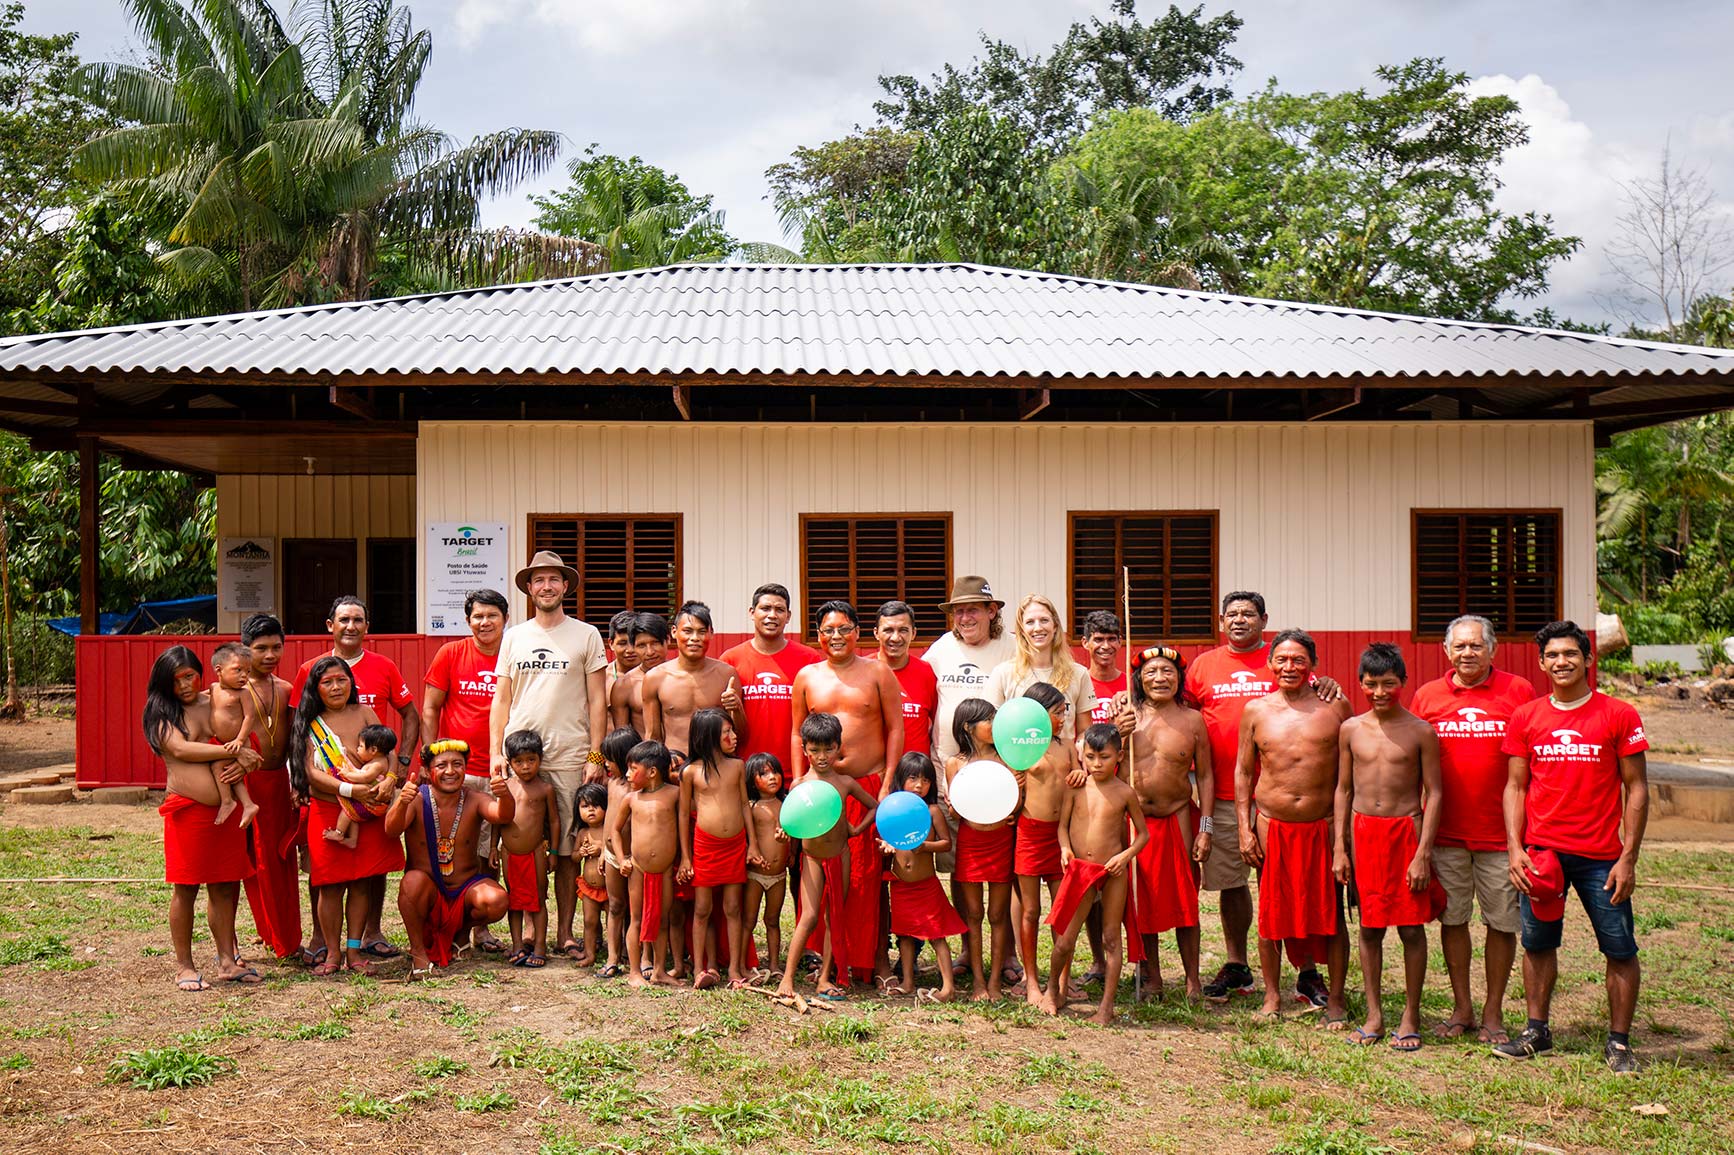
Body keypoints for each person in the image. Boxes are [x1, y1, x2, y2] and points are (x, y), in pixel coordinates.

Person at [1497, 620, 1649, 1074]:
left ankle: (1619, 1043)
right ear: (1542, 663)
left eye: (1570, 654)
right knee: (1538, 944)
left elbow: (1636, 788)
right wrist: (1515, 849)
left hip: (1602, 857)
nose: (1561, 662)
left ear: (1587, 659)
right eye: (1552, 656)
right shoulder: (1526, 716)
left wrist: (1628, 857)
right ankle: (1537, 1031)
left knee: (1619, 948)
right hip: (1542, 855)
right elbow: (1515, 787)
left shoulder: (1619, 714)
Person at [1187, 591, 1342, 1006]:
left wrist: (1328, 685)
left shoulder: (1290, 664)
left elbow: (1328, 707)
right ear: (1221, 621)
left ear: (1264, 620)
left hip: (1289, 802)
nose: (1240, 620)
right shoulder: (1203, 666)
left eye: (1249, 614)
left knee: (1294, 888)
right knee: (1232, 883)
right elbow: (1181, 714)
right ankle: (1238, 965)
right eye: (1232, 614)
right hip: (1224, 794)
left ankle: (1307, 971)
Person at [1409, 614, 1537, 1044]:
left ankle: (1493, 1011)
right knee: (1453, 919)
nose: (1467, 653)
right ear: (1446, 651)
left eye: (1476, 646)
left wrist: (1524, 836)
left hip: (1502, 838)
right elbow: (1413, 762)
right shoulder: (1427, 697)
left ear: (1492, 650)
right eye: (1460, 646)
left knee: (1501, 923)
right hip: (1445, 835)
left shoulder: (1518, 692)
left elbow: (1530, 765)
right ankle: (1461, 1005)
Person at [490, 550, 609, 963]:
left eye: (553, 580)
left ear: (564, 587)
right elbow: (501, 698)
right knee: (521, 847)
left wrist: (596, 752)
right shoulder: (514, 637)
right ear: (528, 588)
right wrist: (496, 752)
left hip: (570, 754)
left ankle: (563, 933)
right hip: (520, 758)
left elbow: (599, 698)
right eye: (538, 580)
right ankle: (523, 932)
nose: (546, 586)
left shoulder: (587, 634)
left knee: (565, 847)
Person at [290, 595, 418, 962]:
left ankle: (355, 950)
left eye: (341, 680)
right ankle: (330, 952)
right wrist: (349, 787)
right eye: (327, 682)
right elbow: (311, 771)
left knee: (363, 881)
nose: (335, 687)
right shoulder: (309, 722)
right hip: (328, 808)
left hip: (366, 810)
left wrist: (392, 775)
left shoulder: (364, 711)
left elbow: (387, 745)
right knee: (328, 884)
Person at [1236, 629, 1352, 1023]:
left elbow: (1350, 772)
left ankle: (1335, 998)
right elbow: (1242, 772)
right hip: (1272, 825)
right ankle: (1271, 996)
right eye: (1282, 659)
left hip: (1323, 825)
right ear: (1270, 664)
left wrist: (1343, 836)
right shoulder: (1256, 710)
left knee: (1332, 914)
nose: (1290, 667)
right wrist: (1244, 828)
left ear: (1313, 665)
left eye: (1299, 660)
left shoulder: (1335, 707)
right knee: (1271, 913)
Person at [1334, 643, 1445, 1051]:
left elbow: (1434, 793)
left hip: (1405, 833)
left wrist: (1422, 853)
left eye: (1388, 684)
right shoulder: (1351, 729)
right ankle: (1374, 1014)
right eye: (1371, 684)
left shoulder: (1420, 731)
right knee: (1369, 926)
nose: (1380, 692)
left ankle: (1411, 1014)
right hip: (1364, 834)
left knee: (1411, 928)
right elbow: (1343, 789)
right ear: (1360, 683)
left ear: (1403, 682)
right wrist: (1340, 848)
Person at [789, 600, 904, 988]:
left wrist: (887, 782)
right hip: (822, 791)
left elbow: (894, 729)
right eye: (828, 630)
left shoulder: (878, 672)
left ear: (857, 632)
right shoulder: (807, 676)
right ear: (817, 635)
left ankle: (871, 963)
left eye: (844, 629)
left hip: (867, 783)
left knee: (866, 882)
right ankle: (827, 962)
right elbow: (796, 732)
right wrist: (798, 779)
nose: (835, 637)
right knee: (825, 882)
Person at [144, 646, 263, 991]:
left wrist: (241, 753)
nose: (185, 685)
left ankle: (227, 960)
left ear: (202, 673)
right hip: (188, 811)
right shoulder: (161, 711)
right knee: (186, 888)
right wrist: (238, 752)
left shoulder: (213, 700)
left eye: (190, 676)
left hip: (227, 814)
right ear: (165, 682)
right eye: (177, 679)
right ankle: (184, 965)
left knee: (226, 886)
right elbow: (181, 749)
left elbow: (239, 724)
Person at [1122, 646, 1214, 1000]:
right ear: (1139, 680)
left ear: (1179, 679)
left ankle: (1193, 981)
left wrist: (1205, 828)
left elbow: (1205, 776)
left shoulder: (1193, 721)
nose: (1160, 678)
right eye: (1151, 673)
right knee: (1141, 900)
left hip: (1179, 817)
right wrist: (1117, 728)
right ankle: (1153, 977)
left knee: (1186, 903)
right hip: (1137, 821)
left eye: (1168, 672)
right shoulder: (1127, 715)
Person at [421, 588, 509, 955]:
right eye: (478, 616)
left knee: (493, 850)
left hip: (503, 769)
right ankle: (449, 921)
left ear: (506, 618)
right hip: (460, 771)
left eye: (492, 615)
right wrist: (431, 760)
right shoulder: (451, 653)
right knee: (459, 850)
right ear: (467, 620)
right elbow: (429, 708)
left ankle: (481, 930)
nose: (484, 622)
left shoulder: (514, 654)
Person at [1044, 723, 1149, 1024]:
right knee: (1064, 940)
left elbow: (1142, 835)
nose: (1097, 764)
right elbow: (1062, 827)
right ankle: (1053, 991)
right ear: (1083, 756)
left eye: (1104, 757)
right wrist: (1065, 849)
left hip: (1112, 870)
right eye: (1090, 757)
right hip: (1080, 870)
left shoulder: (1125, 793)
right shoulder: (1076, 788)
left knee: (1111, 939)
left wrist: (1125, 856)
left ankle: (1106, 1008)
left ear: (1119, 755)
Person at [384, 740, 514, 977]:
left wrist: (504, 796)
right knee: (412, 882)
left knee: (497, 900)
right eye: (442, 765)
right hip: (429, 893)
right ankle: (418, 952)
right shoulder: (416, 798)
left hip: (464, 890)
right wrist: (402, 802)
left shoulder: (474, 798)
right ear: (426, 770)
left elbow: (502, 815)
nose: (450, 771)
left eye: (457, 764)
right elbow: (391, 830)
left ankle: (461, 933)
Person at [774, 713, 879, 1004]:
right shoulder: (799, 787)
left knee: (836, 917)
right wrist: (785, 835)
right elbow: (788, 823)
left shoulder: (844, 783)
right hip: (811, 858)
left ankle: (824, 979)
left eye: (828, 749)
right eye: (815, 750)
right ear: (805, 749)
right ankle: (787, 978)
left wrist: (856, 829)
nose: (822, 756)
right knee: (808, 917)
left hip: (839, 855)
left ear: (838, 747)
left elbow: (874, 807)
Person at [678, 707, 761, 989]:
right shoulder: (690, 772)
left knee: (733, 908)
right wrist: (685, 858)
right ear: (709, 736)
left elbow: (743, 805)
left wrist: (753, 845)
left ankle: (736, 969)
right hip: (705, 845)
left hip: (735, 844)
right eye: (726, 732)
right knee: (702, 909)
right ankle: (700, 969)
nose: (733, 736)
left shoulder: (737, 766)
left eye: (732, 731)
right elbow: (682, 816)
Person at [235, 614, 302, 962]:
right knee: (242, 860)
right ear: (246, 649)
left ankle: (285, 936)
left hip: (278, 781)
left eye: (277, 647)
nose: (270, 655)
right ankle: (249, 938)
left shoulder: (287, 689)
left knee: (278, 858)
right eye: (261, 648)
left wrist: (297, 782)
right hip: (243, 785)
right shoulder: (231, 690)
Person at [945, 698, 1015, 1001]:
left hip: (1001, 841)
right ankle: (977, 983)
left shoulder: (1008, 759)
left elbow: (1016, 804)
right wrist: (954, 809)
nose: (995, 724)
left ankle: (996, 982)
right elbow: (958, 811)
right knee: (973, 914)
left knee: (998, 915)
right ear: (968, 727)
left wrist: (1018, 792)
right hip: (971, 842)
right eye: (989, 719)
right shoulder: (955, 764)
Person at [882, 752, 963, 1002]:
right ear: (901, 780)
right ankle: (907, 981)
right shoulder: (893, 809)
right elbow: (889, 838)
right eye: (913, 778)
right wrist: (887, 846)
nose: (919, 785)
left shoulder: (932, 811)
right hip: (900, 885)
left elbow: (946, 843)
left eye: (926, 780)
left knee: (936, 936)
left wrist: (925, 847)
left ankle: (948, 987)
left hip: (925, 886)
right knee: (904, 935)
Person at [1013, 682, 1073, 1008]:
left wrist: (1078, 777)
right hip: (1030, 833)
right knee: (1031, 910)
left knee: (1062, 910)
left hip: (1060, 835)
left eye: (1065, 711)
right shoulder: (1021, 749)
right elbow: (1009, 798)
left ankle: (1060, 981)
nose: (1063, 718)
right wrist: (1015, 785)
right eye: (1056, 712)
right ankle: (1032, 982)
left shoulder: (1068, 748)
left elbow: (1080, 781)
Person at [610, 738, 681, 988]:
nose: (628, 774)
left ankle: (660, 969)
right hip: (638, 869)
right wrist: (621, 859)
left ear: (652, 772)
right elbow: (615, 832)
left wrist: (684, 861)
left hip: (665, 868)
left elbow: (685, 827)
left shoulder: (675, 794)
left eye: (632, 769)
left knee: (662, 919)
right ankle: (634, 971)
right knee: (636, 918)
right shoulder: (631, 799)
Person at [722, 583, 821, 763]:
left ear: (788, 616)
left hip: (798, 769)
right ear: (752, 613)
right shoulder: (730, 660)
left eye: (779, 610)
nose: (772, 615)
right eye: (765, 608)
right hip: (746, 768)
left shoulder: (809, 659)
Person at [984, 594, 1096, 745]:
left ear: (1055, 626)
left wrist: (1081, 747)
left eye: (1044, 620)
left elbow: (1085, 731)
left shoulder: (1079, 674)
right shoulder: (1002, 674)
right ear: (1022, 630)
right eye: (1030, 622)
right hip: (1019, 766)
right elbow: (990, 729)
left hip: (1064, 765)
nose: (1038, 628)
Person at [927, 576, 1015, 765]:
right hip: (944, 767)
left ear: (991, 611)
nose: (965, 618)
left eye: (972, 610)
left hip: (996, 766)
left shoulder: (1013, 648)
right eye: (959, 612)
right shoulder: (941, 648)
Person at [644, 601, 745, 756]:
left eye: (702, 631)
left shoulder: (726, 674)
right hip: (674, 770)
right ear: (674, 632)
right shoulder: (655, 678)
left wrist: (736, 708)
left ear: (711, 633)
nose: (695, 638)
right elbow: (652, 737)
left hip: (716, 769)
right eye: (688, 631)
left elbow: (741, 735)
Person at [495, 729, 558, 969]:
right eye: (519, 761)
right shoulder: (505, 787)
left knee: (538, 899)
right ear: (510, 763)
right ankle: (517, 945)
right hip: (509, 852)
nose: (526, 766)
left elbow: (553, 821)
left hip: (535, 852)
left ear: (540, 759)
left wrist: (552, 852)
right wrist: (493, 847)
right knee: (514, 901)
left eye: (531, 760)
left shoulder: (545, 789)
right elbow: (497, 819)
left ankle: (540, 945)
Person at [596, 726, 643, 978]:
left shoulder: (640, 787)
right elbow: (610, 821)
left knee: (639, 909)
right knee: (615, 905)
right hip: (614, 854)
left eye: (609, 759)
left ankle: (644, 957)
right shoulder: (612, 783)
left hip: (636, 856)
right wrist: (605, 850)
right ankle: (613, 957)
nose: (605, 764)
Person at [743, 753, 791, 983]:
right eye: (764, 774)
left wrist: (787, 843)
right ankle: (745, 963)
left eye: (775, 772)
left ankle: (774, 964)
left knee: (773, 920)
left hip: (778, 876)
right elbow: (746, 839)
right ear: (752, 781)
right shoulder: (751, 808)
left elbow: (794, 837)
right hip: (754, 875)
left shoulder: (787, 805)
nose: (772, 777)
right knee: (748, 920)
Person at [206, 643, 261, 829]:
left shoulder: (243, 693)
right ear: (219, 670)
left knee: (219, 767)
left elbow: (249, 717)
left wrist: (240, 739)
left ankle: (228, 801)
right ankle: (246, 804)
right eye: (238, 670)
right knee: (230, 774)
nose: (244, 676)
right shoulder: (213, 689)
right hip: (221, 743)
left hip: (239, 742)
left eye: (247, 671)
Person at [874, 600, 938, 758]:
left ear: (914, 633)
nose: (895, 638)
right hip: (876, 774)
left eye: (903, 630)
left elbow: (939, 723)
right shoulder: (864, 670)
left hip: (916, 777)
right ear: (876, 633)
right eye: (888, 630)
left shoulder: (926, 672)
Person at [321, 723, 397, 848]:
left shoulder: (378, 764)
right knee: (354, 815)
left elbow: (365, 777)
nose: (357, 749)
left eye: (360, 746)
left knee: (348, 810)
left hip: (372, 804)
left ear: (373, 750)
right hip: (368, 802)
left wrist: (347, 774)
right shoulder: (377, 761)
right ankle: (352, 840)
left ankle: (339, 832)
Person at [571, 782, 611, 966]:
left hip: (609, 886)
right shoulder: (582, 832)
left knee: (612, 921)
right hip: (588, 887)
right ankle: (589, 954)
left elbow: (616, 848)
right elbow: (574, 857)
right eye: (585, 806)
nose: (591, 810)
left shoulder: (608, 830)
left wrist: (600, 849)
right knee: (589, 921)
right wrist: (581, 853)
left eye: (596, 805)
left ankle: (614, 954)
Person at [1081, 611, 1127, 727]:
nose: (1106, 646)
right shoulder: (1077, 684)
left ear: (1120, 642)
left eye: (1111, 639)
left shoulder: (1132, 685)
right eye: (1098, 639)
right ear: (1085, 643)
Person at [606, 609, 641, 696]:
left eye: (634, 642)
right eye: (622, 643)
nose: (630, 650)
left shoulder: (657, 675)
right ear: (611, 644)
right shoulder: (602, 679)